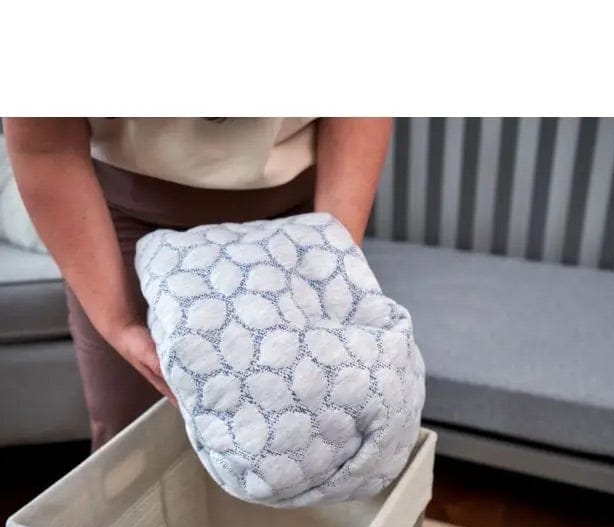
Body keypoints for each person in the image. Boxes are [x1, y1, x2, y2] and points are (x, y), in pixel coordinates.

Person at [3, 117, 392, 450]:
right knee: (133, 438)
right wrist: (119, 323)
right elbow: (47, 148)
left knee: (307, 427)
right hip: (123, 209)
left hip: (298, 207)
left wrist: (331, 262)